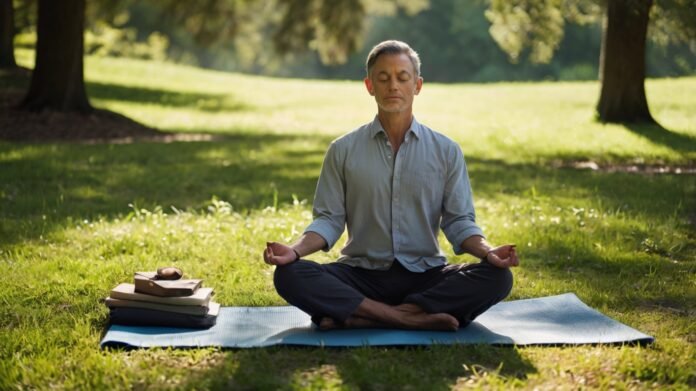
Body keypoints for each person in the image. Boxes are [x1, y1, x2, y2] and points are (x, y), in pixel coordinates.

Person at [263, 40, 518, 331]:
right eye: (383, 78)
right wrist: (294, 252)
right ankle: (409, 318)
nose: (393, 86)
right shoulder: (342, 150)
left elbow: (459, 221)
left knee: (498, 278)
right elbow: (329, 220)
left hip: (427, 275)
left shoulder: (446, 151)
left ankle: (360, 316)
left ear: (417, 85)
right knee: (289, 275)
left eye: (402, 77)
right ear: (370, 86)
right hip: (360, 274)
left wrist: (488, 252)